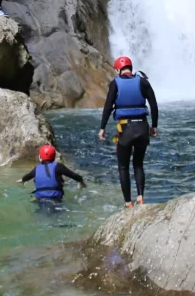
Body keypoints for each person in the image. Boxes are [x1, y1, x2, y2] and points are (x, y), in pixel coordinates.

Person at [98, 56, 159, 207]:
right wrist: (154, 126)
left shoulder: (115, 83)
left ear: (118, 70)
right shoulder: (143, 81)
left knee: (123, 167)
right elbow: (153, 105)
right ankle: (140, 197)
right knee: (138, 164)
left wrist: (102, 128)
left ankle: (128, 203)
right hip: (142, 127)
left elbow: (108, 107)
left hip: (126, 129)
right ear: (130, 68)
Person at [17, 145, 86, 204]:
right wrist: (81, 181)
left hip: (40, 197)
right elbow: (73, 175)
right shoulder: (58, 166)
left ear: (40, 157)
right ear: (54, 157)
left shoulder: (37, 168)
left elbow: (28, 176)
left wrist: (22, 180)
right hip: (55, 197)